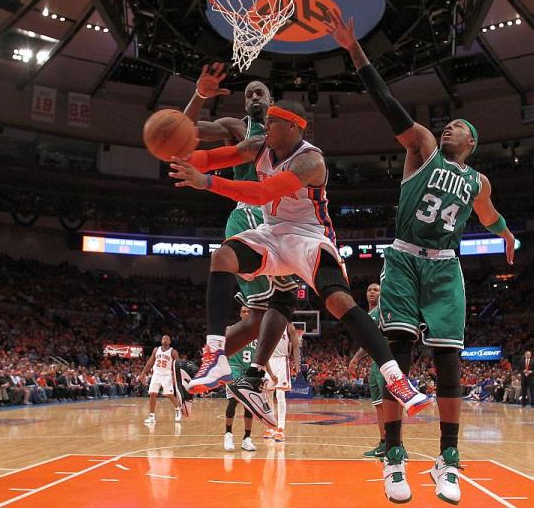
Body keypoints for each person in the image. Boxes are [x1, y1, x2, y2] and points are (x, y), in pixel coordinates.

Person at [326, 11, 516, 505]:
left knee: (449, 362)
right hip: (406, 259)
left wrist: (507, 235)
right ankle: (394, 457)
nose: (446, 127)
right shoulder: (423, 149)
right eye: (447, 123)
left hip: (445, 266)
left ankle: (447, 461)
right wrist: (354, 49)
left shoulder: (478, 181)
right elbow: (387, 103)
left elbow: (490, 215)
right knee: (398, 357)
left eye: (457, 126)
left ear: (470, 143)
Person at [171, 99, 430, 430]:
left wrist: (206, 182)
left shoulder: (310, 160)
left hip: (308, 237)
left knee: (338, 301)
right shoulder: (257, 146)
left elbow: (264, 192)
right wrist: (176, 153)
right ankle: (214, 355)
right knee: (222, 256)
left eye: (273, 122)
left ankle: (396, 378)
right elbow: (205, 158)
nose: (266, 127)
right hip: (271, 234)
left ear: (294, 127)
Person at [183, 63, 297, 355]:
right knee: (264, 312)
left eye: (260, 93)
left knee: (270, 315)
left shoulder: (288, 136)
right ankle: (215, 366)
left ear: (271, 101)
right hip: (252, 213)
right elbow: (184, 132)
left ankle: (206, 371)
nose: (255, 97)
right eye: (249, 95)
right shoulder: (237, 126)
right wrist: (199, 95)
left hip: (281, 220)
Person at [348, 282, 387, 458]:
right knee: (379, 406)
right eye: (369, 289)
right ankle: (384, 442)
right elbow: (368, 342)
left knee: (388, 405)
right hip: (375, 362)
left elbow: (376, 338)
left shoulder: (382, 312)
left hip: (385, 361)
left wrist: (356, 358)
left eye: (376, 290)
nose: (372, 292)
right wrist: (356, 358)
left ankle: (395, 444)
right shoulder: (367, 314)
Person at [224, 306, 258, 452]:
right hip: (234, 368)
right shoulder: (231, 329)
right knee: (233, 401)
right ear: (239, 313)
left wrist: (265, 374)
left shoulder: (258, 331)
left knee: (249, 404)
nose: (246, 313)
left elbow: (261, 353)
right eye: (243, 311)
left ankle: (247, 438)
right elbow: (222, 350)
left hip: (251, 371)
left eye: (248, 312)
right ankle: (228, 434)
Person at [263, 321, 300, 442]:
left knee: (280, 394)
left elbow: (295, 345)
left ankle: (281, 428)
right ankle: (271, 426)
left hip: (282, 361)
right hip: (269, 360)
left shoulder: (289, 326)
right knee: (268, 396)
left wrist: (297, 363)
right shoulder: (267, 323)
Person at [138, 335, 182, 425]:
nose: (165, 339)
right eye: (163, 338)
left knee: (168, 394)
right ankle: (151, 416)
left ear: (170, 342)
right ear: (161, 341)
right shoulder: (156, 350)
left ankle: (178, 409)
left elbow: (178, 365)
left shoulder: (173, 352)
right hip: (156, 374)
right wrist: (143, 373)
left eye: (167, 338)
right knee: (152, 393)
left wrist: (176, 377)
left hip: (167, 375)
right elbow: (150, 362)